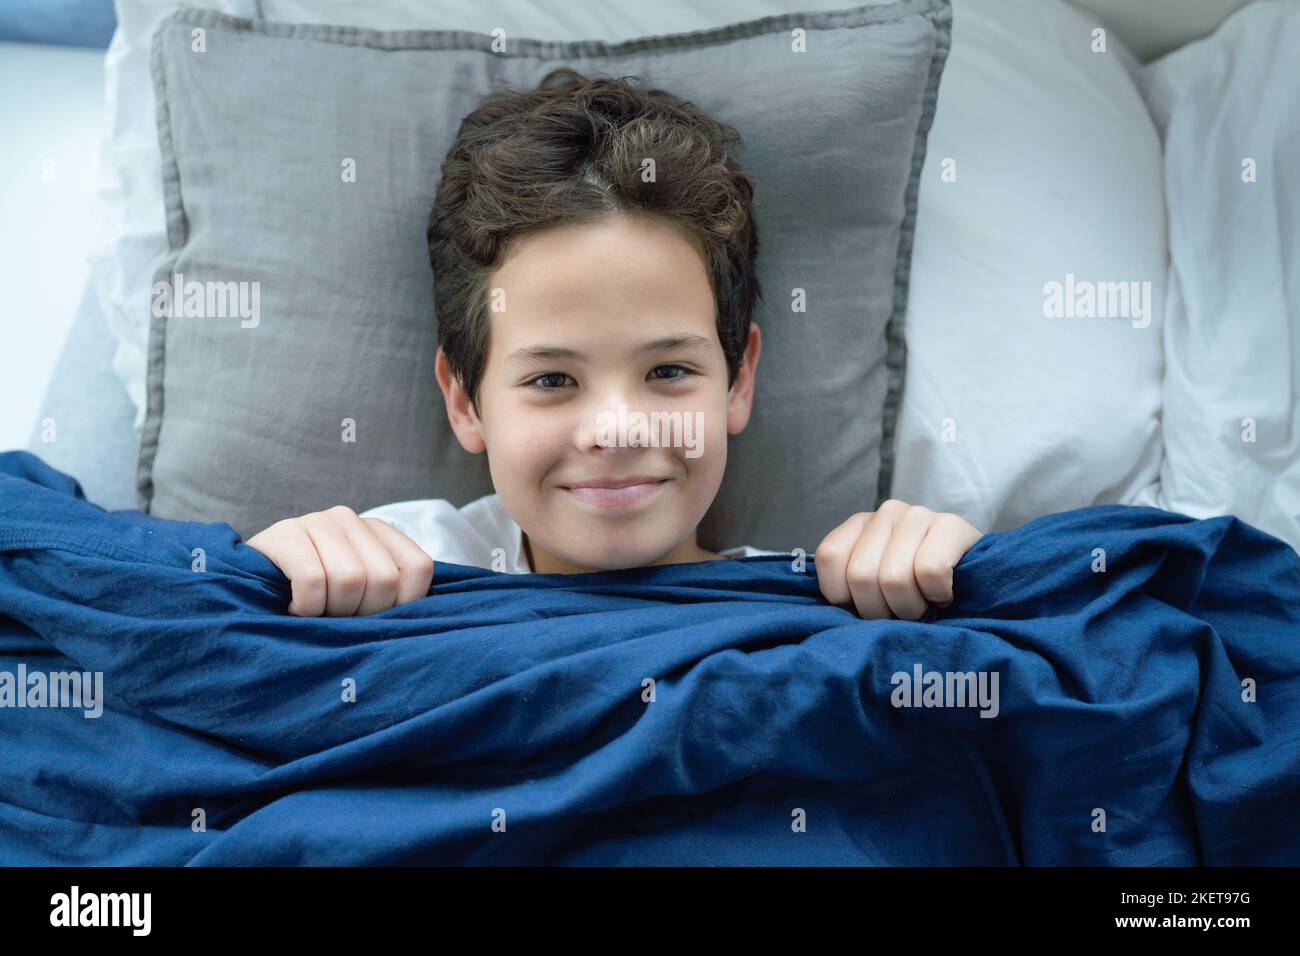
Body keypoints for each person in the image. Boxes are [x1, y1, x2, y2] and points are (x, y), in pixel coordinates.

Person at [246, 68, 981, 620]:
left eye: (668, 370)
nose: (618, 430)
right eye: (552, 381)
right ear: (465, 401)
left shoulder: (821, 598)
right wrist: (261, 576)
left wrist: (965, 580)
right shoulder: (403, 567)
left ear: (738, 381)